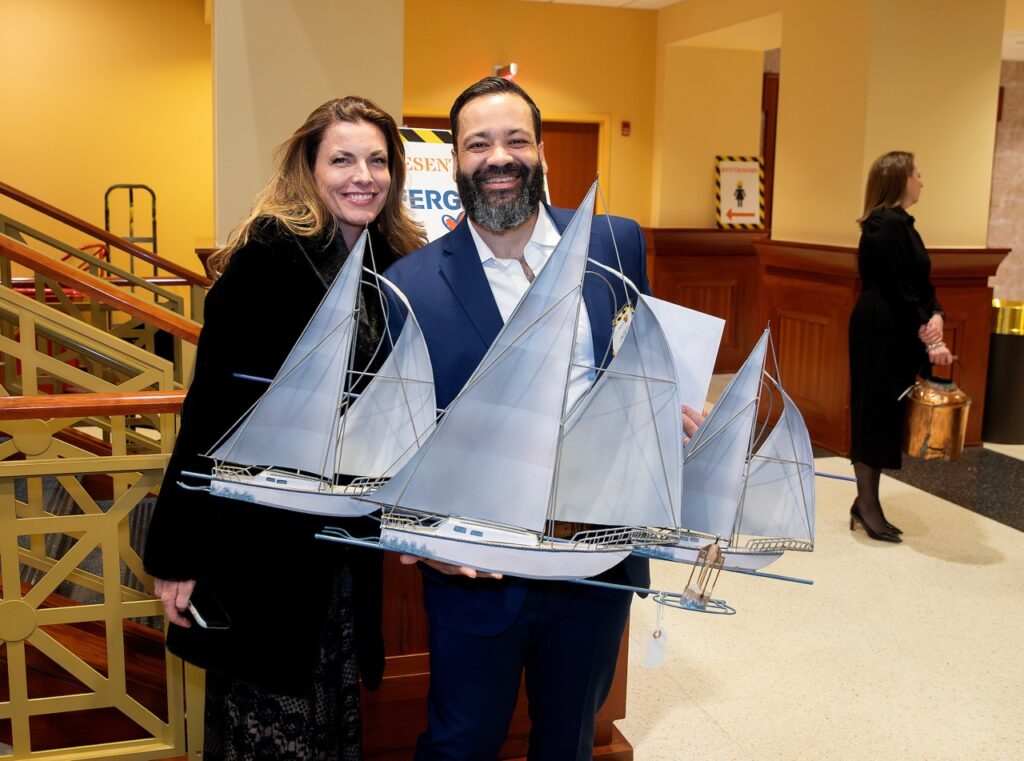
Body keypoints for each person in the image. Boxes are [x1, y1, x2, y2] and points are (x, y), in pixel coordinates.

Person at [383, 76, 701, 761]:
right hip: (472, 568)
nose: (499, 157)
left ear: (541, 150)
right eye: (478, 144)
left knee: (568, 741)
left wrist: (664, 413)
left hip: (593, 558)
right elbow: (394, 436)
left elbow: (639, 363)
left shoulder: (618, 243)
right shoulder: (410, 284)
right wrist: (415, 532)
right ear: (455, 161)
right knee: (462, 742)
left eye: (515, 139)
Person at [143, 96, 426, 759]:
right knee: (271, 717)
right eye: (343, 159)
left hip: (342, 542)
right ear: (309, 167)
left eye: (378, 160)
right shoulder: (267, 261)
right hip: (259, 542)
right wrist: (175, 555)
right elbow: (208, 410)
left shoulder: (396, 260)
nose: (363, 175)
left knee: (330, 709)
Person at [848, 151, 953, 543]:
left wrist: (937, 313)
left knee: (885, 415)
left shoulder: (902, 225)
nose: (922, 181)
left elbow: (920, 286)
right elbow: (898, 289)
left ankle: (867, 502)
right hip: (879, 329)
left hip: (897, 326)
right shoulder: (883, 225)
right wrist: (930, 328)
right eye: (918, 174)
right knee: (873, 413)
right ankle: (867, 505)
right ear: (900, 180)